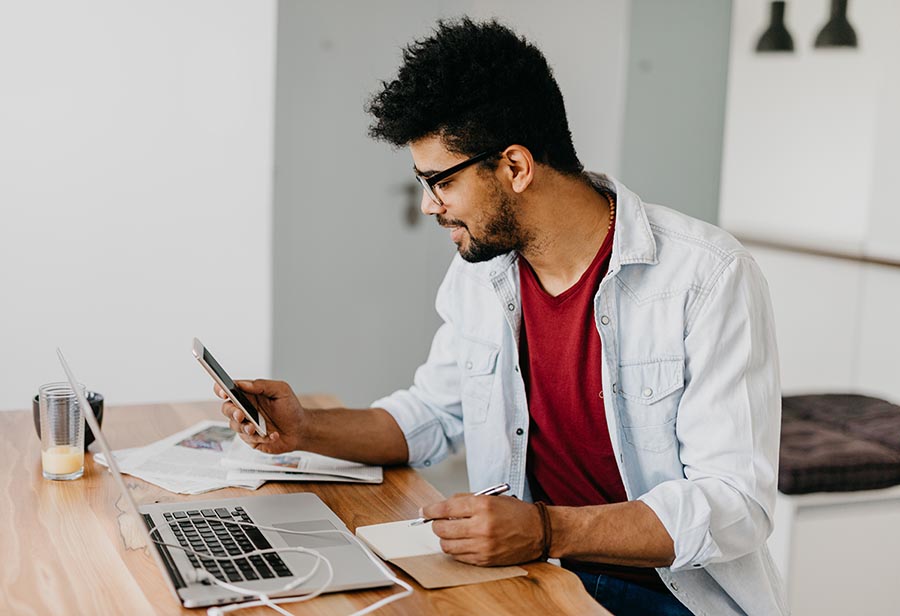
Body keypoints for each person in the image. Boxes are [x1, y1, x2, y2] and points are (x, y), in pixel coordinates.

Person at [218, 18, 787, 616]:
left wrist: (547, 530)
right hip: (531, 577)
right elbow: (435, 412)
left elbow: (735, 506)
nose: (428, 205)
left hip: (671, 596)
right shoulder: (480, 274)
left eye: (439, 181)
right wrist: (306, 429)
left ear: (515, 166)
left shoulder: (708, 276)